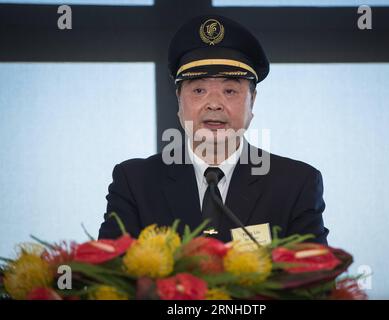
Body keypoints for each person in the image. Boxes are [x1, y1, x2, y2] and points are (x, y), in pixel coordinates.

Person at [98, 15, 329, 244]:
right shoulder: (135, 183)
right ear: (179, 100)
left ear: (253, 101)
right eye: (199, 90)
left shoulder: (296, 184)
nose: (214, 104)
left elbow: (315, 278)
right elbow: (109, 275)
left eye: (230, 91)